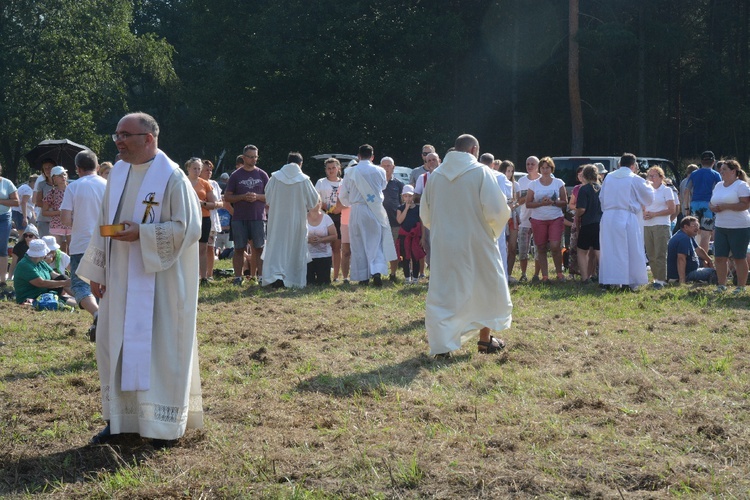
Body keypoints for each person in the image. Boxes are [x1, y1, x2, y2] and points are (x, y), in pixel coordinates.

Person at [77, 112, 203, 446]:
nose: (117, 140)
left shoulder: (172, 177)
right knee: (111, 344)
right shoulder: (117, 173)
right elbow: (103, 223)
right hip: (118, 278)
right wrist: (98, 270)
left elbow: (189, 228)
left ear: (148, 139)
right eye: (116, 134)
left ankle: (161, 426)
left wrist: (143, 234)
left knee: (159, 349)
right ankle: (120, 420)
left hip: (159, 281)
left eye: (125, 135)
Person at [421, 134, 511, 357]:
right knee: (485, 286)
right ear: (474, 150)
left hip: (444, 244)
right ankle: (484, 340)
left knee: (445, 292)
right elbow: (497, 211)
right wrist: (491, 230)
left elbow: (426, 214)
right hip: (476, 241)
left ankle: (443, 347)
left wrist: (443, 230)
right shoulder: (482, 172)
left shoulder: (435, 176)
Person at [60, 149, 107, 340]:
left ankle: (97, 315)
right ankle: (103, 319)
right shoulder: (108, 184)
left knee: (80, 285)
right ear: (97, 166)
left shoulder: (73, 187)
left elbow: (64, 218)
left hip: (81, 243)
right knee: (104, 283)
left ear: (77, 169)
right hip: (105, 241)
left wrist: (78, 222)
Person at [339, 144, 397, 286]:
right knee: (375, 242)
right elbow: (383, 187)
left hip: (357, 209)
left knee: (358, 243)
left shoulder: (349, 172)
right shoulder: (380, 171)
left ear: (358, 156)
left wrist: (350, 202)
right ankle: (376, 271)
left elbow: (343, 195)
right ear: (372, 156)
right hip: (374, 209)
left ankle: (363, 277)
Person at [262, 152, 319, 288]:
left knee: (277, 247)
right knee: (295, 247)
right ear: (301, 164)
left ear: (287, 162)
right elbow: (313, 201)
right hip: (296, 220)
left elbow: (267, 197)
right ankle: (293, 279)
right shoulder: (304, 180)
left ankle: (275, 276)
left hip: (277, 221)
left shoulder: (275, 178)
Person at [598, 153, 655, 290]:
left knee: (609, 249)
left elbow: (601, 197)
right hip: (626, 215)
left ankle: (608, 281)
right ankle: (627, 282)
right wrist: (649, 185)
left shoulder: (609, 177)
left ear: (619, 164)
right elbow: (648, 198)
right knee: (628, 249)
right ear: (633, 165)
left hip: (608, 216)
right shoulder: (634, 178)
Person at [224, 145, 268, 285]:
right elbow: (227, 197)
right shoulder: (236, 175)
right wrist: (243, 196)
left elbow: (270, 196)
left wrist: (257, 197)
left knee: (259, 248)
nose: (253, 159)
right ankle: (238, 277)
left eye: (255, 157)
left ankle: (261, 277)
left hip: (258, 217)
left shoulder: (262, 174)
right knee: (239, 248)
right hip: (240, 217)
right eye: (250, 157)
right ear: (243, 157)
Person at [709, 160, 750, 294]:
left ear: (733, 171)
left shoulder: (741, 185)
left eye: (724, 169)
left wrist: (726, 206)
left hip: (739, 227)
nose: (721, 172)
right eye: (721, 170)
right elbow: (711, 202)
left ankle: (741, 286)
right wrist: (712, 207)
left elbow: (745, 205)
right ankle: (721, 285)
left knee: (739, 257)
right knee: (720, 257)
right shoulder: (719, 185)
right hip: (721, 226)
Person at [525, 157, 567, 282]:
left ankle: (559, 273)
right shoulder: (533, 184)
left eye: (547, 167)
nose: (545, 170)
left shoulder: (558, 182)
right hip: (538, 218)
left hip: (555, 217)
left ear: (551, 168)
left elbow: (565, 202)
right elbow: (528, 203)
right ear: (540, 169)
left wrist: (553, 202)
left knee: (555, 246)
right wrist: (540, 203)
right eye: (542, 168)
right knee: (541, 247)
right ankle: (545, 276)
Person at [185, 158, 217, 285]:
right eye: (194, 168)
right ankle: (188, 275)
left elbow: (213, 203)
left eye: (199, 169)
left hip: (203, 218)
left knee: (202, 248)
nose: (197, 171)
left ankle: (203, 277)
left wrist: (202, 203)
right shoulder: (182, 182)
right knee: (187, 247)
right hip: (187, 218)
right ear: (188, 168)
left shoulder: (205, 184)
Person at [643, 166, 676, 289]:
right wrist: (644, 213)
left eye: (654, 176)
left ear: (661, 177)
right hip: (647, 224)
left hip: (661, 224)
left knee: (660, 253)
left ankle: (662, 279)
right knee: (651, 253)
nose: (651, 178)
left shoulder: (666, 190)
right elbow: (643, 205)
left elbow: (672, 209)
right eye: (649, 176)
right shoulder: (647, 190)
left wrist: (654, 214)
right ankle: (656, 278)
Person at [684, 151, 721, 255]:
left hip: (695, 204)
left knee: (693, 232)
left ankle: (693, 256)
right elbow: (719, 191)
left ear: (701, 162)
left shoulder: (694, 174)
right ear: (713, 162)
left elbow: (686, 191)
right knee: (706, 235)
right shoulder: (715, 175)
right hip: (708, 205)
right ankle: (702, 260)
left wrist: (686, 207)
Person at [14, 239, 72, 304]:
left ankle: (80, 297)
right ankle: (80, 299)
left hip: (45, 294)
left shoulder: (40, 262)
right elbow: (41, 283)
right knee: (70, 302)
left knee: (63, 277)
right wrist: (64, 283)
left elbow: (55, 275)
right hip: (31, 298)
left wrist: (70, 281)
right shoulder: (25, 265)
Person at [315, 158, 343, 281]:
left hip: (341, 217)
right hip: (324, 216)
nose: (331, 170)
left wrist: (339, 208)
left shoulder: (344, 182)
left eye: (333, 168)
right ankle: (322, 274)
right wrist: (330, 208)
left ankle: (336, 276)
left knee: (337, 247)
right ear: (325, 170)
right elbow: (316, 199)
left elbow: (349, 199)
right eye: (328, 168)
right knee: (322, 246)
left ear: (338, 168)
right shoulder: (321, 182)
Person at [667, 216, 716, 285]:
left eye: (697, 225)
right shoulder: (683, 239)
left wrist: (709, 260)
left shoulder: (687, 235)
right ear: (686, 227)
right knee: (714, 272)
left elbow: (699, 250)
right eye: (694, 226)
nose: (697, 228)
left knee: (702, 260)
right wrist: (682, 280)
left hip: (689, 271)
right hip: (685, 274)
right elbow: (681, 259)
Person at [575, 164, 602, 283]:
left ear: (585, 175)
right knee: (599, 251)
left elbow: (581, 209)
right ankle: (606, 276)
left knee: (582, 251)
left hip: (587, 223)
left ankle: (585, 278)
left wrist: (576, 215)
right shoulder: (602, 188)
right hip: (601, 223)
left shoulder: (584, 189)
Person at [516, 156, 541, 282]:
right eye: (527, 164)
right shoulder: (521, 181)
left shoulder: (545, 180)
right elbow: (518, 200)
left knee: (538, 249)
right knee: (522, 249)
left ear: (538, 165)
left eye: (532, 164)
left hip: (539, 219)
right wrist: (527, 198)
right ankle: (524, 274)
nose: (529, 166)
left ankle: (536, 274)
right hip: (524, 219)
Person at [396, 185, 425, 283]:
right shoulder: (400, 208)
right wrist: (406, 209)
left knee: (415, 256)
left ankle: (415, 277)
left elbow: (422, 223)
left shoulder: (418, 208)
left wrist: (423, 237)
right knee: (406, 257)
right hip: (404, 236)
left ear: (413, 196)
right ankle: (407, 277)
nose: (408, 198)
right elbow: (399, 221)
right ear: (402, 197)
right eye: (406, 196)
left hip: (416, 236)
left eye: (410, 196)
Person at [381, 156, 404, 281]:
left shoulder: (399, 184)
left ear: (393, 167)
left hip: (395, 221)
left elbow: (403, 202)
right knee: (379, 248)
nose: (386, 168)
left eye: (388, 165)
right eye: (383, 166)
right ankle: (378, 272)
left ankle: (393, 273)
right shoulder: (377, 183)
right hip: (379, 221)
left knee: (394, 248)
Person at [201, 160, 224, 282]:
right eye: (206, 170)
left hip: (211, 218)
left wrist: (212, 204)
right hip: (200, 218)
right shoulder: (196, 183)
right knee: (200, 248)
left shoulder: (214, 184)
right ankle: (200, 274)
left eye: (210, 170)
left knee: (210, 248)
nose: (209, 172)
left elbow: (220, 202)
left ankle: (209, 274)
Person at [306, 197, 337, 285]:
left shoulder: (326, 218)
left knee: (323, 283)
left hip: (324, 256)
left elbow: (334, 236)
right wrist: (308, 240)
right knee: (308, 283)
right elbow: (296, 236)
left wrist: (321, 240)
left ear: (320, 203)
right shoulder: (302, 218)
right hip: (307, 257)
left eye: (317, 201)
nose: (314, 204)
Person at [41, 166, 72, 254]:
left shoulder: (73, 190)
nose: (63, 177)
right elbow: (44, 212)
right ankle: (58, 268)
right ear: (54, 178)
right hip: (56, 224)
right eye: (60, 175)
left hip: (71, 223)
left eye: (64, 174)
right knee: (55, 251)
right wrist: (59, 212)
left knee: (73, 250)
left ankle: (71, 267)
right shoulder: (52, 193)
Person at [0, 162, 19, 286]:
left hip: (4, 217)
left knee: (2, 248)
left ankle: (2, 280)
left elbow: (16, 202)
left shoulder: (7, 183)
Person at [502, 161, 521, 280]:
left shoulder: (516, 184)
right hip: (502, 217)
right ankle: (502, 272)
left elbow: (518, 201)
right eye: (507, 170)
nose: (509, 173)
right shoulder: (498, 182)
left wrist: (514, 204)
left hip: (512, 216)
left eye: (511, 171)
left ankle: (508, 273)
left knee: (512, 247)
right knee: (502, 246)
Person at [33, 159, 56, 237]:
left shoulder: (63, 185)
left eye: (49, 167)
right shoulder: (41, 184)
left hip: (59, 220)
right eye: (45, 168)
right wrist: (52, 205)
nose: (47, 170)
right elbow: (38, 202)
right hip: (44, 219)